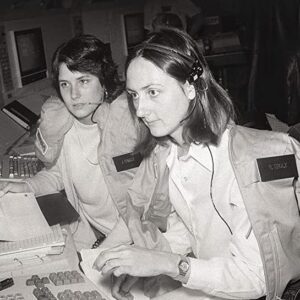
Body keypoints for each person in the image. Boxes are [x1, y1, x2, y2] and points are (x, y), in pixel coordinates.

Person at [93, 28, 300, 299]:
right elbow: (191, 228)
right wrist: (148, 262)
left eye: (153, 92)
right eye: (134, 95)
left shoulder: (249, 161)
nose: (140, 110)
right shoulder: (166, 153)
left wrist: (167, 264)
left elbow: (259, 277)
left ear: (191, 87)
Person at [0, 35, 171, 254]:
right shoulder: (64, 126)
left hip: (136, 239)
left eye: (83, 81)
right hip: (93, 236)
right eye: (65, 84)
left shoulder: (133, 124)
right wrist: (27, 187)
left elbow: (146, 201)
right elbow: (57, 175)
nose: (73, 95)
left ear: (104, 81)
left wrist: (107, 251)